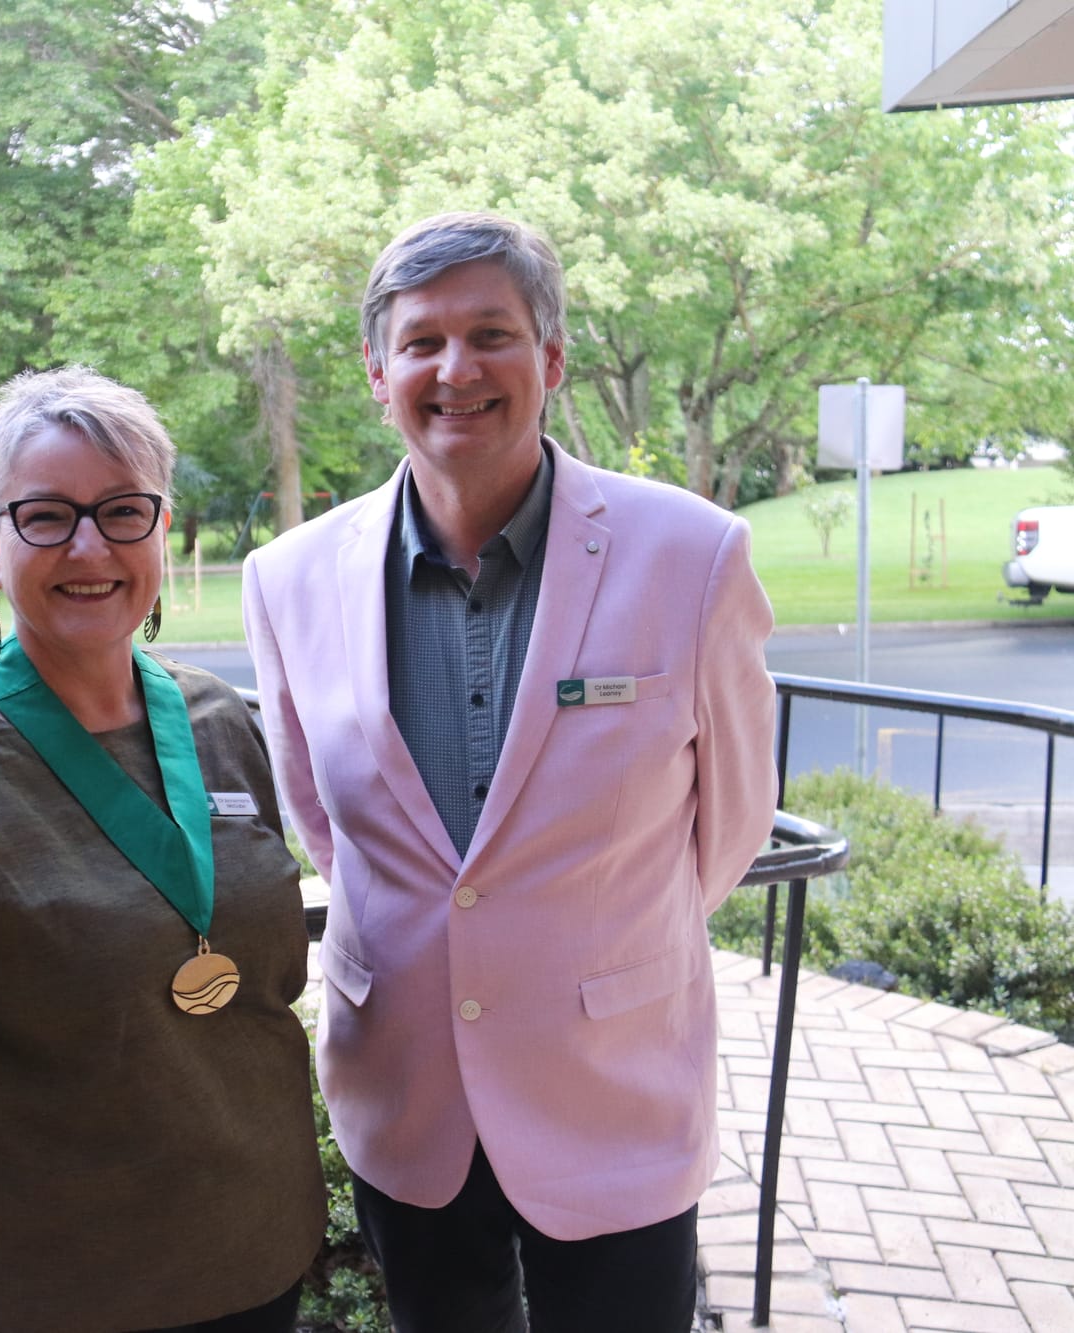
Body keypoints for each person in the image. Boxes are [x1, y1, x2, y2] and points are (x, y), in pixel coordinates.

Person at [241, 212, 778, 1332]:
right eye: (422, 339)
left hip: (613, 1087)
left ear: (550, 359)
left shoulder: (690, 555)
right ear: (376, 367)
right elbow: (325, 826)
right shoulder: (285, 578)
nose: (455, 369)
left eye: (491, 333)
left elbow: (727, 823)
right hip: (404, 1096)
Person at [0, 366, 324, 1333]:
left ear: (163, 530)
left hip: (256, 1251)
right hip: (52, 1286)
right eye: (47, 515)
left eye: (124, 511)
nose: (90, 546)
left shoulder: (216, 721)